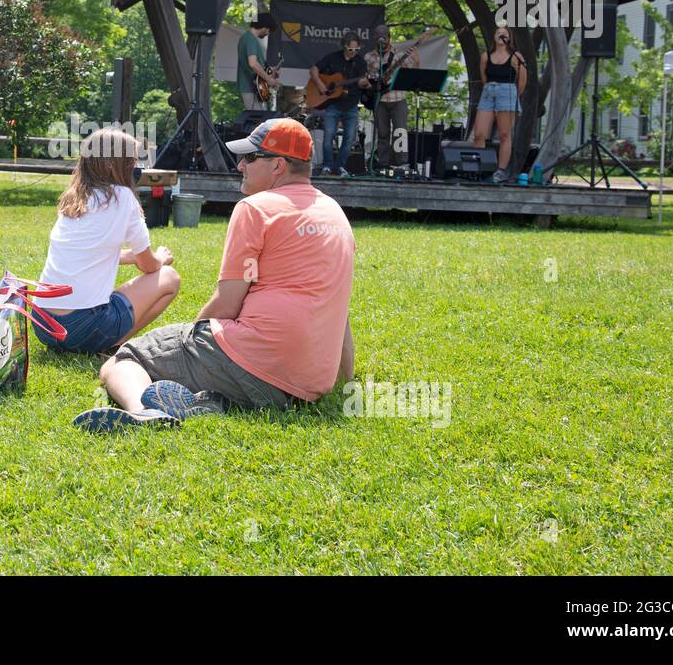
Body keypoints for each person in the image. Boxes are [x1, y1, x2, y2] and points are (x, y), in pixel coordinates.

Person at [73, 118, 356, 432]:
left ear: (278, 166)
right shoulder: (335, 214)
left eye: (250, 157)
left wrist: (189, 339)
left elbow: (227, 303)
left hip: (255, 363)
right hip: (304, 385)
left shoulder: (256, 208)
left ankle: (144, 412)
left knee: (124, 360)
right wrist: (341, 378)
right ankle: (207, 401)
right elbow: (339, 308)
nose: (240, 165)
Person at [36, 129, 181, 354]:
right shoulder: (123, 198)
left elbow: (86, 252)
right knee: (169, 278)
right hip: (82, 328)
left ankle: (101, 341)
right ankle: (113, 345)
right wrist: (160, 258)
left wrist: (129, 257)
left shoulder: (73, 197)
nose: (136, 168)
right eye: (132, 162)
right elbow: (149, 266)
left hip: (43, 323)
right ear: (116, 165)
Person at [472, 23, 527, 183]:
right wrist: (490, 88)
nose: (500, 35)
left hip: (507, 92)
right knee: (480, 134)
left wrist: (513, 93)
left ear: (509, 38)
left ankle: (501, 171)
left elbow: (522, 80)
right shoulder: (486, 56)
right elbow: (483, 76)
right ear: (494, 37)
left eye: (504, 33)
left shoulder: (515, 56)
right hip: (489, 91)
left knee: (504, 134)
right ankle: (478, 168)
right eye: (498, 32)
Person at [310, 32, 371, 177]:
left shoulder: (361, 63)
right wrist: (320, 85)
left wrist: (365, 83)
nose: (354, 52)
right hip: (333, 104)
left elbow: (364, 82)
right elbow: (314, 70)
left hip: (351, 105)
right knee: (328, 137)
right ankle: (327, 166)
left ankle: (340, 166)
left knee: (349, 139)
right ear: (344, 46)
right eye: (351, 49)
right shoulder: (332, 58)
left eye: (357, 50)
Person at [365, 25, 420, 172]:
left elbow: (413, 74)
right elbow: (365, 78)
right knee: (382, 133)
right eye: (378, 38)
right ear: (375, 39)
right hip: (379, 100)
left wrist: (416, 60)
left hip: (398, 98)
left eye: (384, 38)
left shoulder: (398, 55)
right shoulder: (369, 57)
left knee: (400, 132)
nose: (381, 41)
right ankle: (383, 163)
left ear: (389, 38)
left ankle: (401, 162)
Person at [237, 15, 278, 111]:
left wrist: (269, 71)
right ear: (264, 26)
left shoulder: (247, 38)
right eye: (269, 30)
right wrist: (268, 79)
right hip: (250, 86)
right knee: (257, 120)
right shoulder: (251, 40)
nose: (268, 33)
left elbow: (255, 64)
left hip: (254, 86)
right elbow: (253, 64)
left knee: (258, 118)